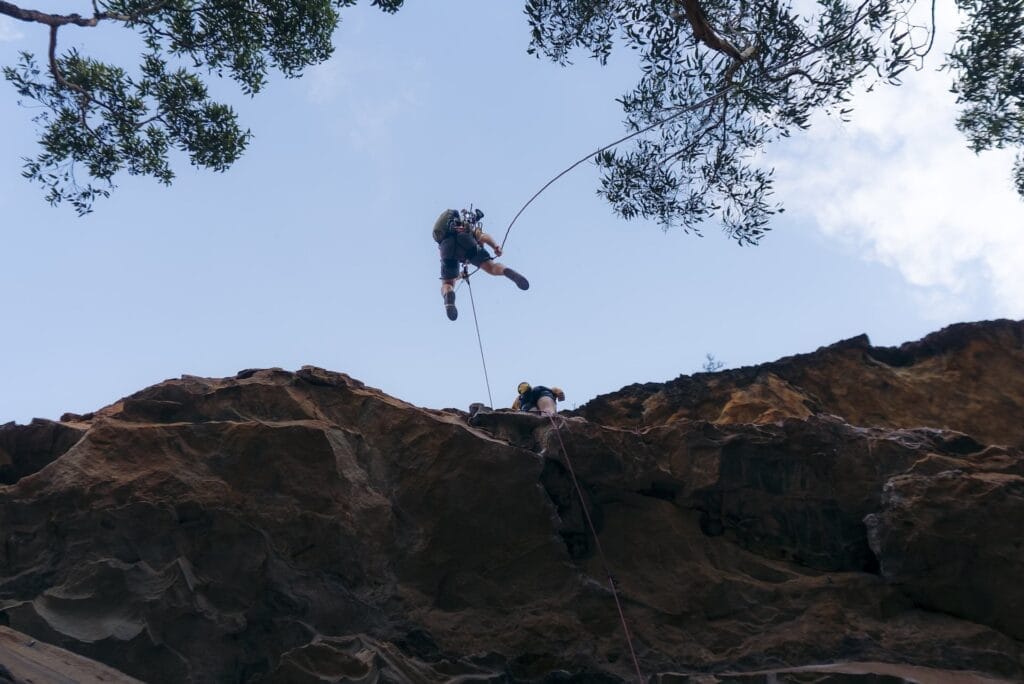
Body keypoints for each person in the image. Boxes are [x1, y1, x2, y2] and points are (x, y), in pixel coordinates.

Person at [434, 208, 529, 321]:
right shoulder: (466, 228)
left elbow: (453, 275)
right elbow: (483, 237)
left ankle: (448, 296)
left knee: (448, 283)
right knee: (491, 267)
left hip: (446, 247)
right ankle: (507, 272)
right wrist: (496, 247)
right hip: (466, 240)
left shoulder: (451, 230)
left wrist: (458, 276)